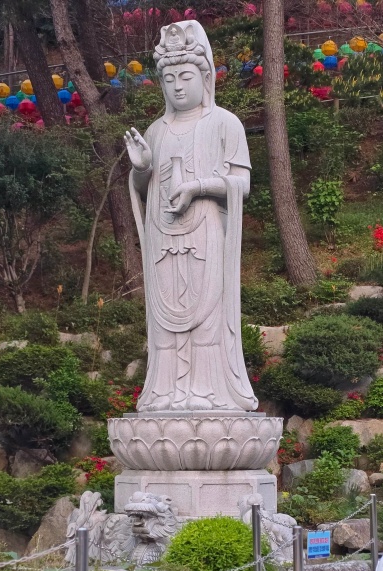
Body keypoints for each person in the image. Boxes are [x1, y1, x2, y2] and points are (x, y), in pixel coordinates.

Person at [124, 20, 256, 413]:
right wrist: (142, 169)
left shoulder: (224, 123)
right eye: (168, 79)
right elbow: (146, 189)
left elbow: (241, 184)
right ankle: (164, 394)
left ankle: (209, 393)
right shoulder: (156, 130)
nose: (177, 86)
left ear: (204, 76)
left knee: (207, 316)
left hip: (205, 232)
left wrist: (198, 187)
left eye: (185, 76)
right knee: (164, 321)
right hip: (163, 236)